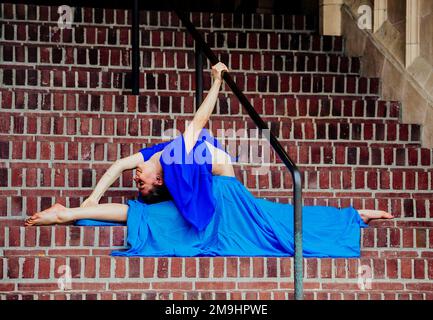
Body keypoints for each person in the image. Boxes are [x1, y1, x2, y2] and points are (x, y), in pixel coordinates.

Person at [25, 63, 393, 258]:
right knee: (277, 226)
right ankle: (354, 217)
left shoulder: (163, 157)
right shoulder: (172, 166)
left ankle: (353, 217)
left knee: (280, 223)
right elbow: (129, 209)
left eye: (139, 178)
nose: (137, 177)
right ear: (159, 183)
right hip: (222, 198)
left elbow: (127, 162)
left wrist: (87, 202)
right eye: (142, 182)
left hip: (229, 195)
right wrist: (75, 212)